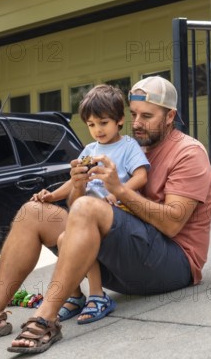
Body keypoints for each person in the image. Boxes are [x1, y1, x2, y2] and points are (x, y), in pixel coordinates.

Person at [0, 76, 211, 354]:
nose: (138, 123)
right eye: (134, 114)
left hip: (173, 265)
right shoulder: (128, 145)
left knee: (87, 208)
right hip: (125, 261)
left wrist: (118, 190)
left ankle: (45, 318)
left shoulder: (188, 153)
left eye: (147, 116)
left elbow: (171, 224)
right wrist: (79, 185)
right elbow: (78, 208)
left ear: (170, 117)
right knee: (32, 212)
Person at [30, 84, 149, 324]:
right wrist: (51, 196)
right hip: (87, 215)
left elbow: (141, 176)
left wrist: (119, 192)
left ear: (119, 120)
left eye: (103, 123)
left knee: (78, 236)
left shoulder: (128, 146)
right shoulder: (89, 150)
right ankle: (74, 296)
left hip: (117, 214)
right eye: (91, 125)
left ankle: (98, 295)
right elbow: (76, 182)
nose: (97, 130)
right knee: (64, 239)